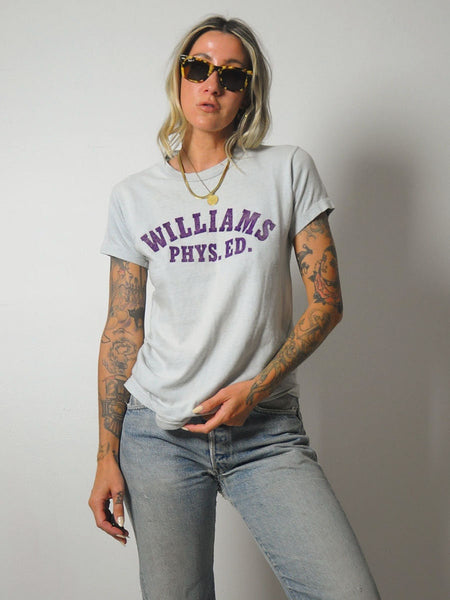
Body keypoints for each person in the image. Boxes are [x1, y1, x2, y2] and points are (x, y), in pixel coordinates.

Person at [88, 15, 381, 600]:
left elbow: (327, 303)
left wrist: (257, 387)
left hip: (264, 430)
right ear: (179, 77)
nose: (211, 85)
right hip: (159, 435)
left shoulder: (286, 169)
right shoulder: (133, 196)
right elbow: (123, 328)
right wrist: (106, 454)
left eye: (231, 75)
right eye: (198, 68)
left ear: (249, 91)